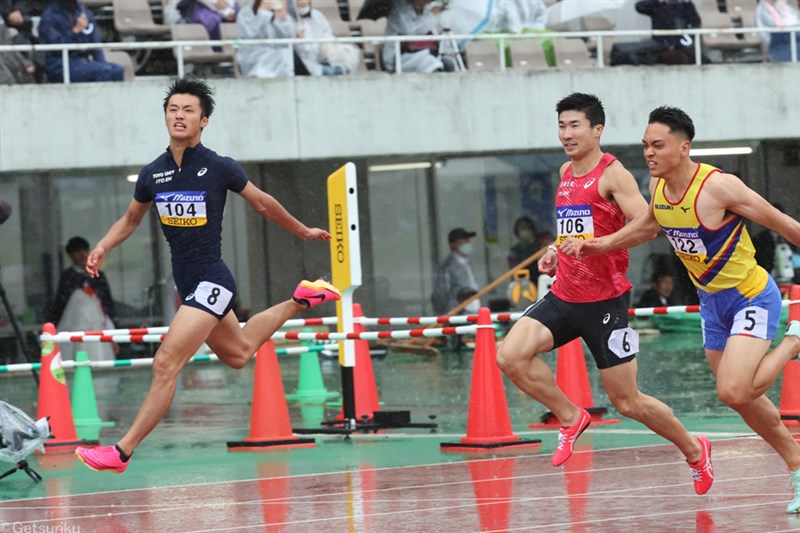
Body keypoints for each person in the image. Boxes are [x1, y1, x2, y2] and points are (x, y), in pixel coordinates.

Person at [74, 78, 340, 473]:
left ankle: (122, 451)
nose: (179, 116)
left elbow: (263, 204)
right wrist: (102, 246)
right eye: (173, 110)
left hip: (213, 280)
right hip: (189, 285)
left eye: (188, 111)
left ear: (204, 121)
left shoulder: (219, 167)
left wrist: (302, 230)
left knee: (165, 362)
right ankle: (302, 298)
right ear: (165, 117)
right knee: (239, 353)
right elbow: (130, 219)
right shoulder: (153, 174)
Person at [561, 105, 800, 512]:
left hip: (750, 296)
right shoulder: (659, 190)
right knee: (741, 401)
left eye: (658, 145)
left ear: (684, 147)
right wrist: (598, 244)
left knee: (734, 389)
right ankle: (797, 466)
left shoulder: (719, 187)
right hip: (712, 305)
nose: (649, 153)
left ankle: (793, 340)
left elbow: (783, 223)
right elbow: (648, 226)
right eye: (645, 146)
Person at [496, 93, 713, 496]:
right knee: (509, 356)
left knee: (628, 402)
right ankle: (570, 416)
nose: (566, 134)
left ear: (598, 130)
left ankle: (694, 449)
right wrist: (554, 252)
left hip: (605, 304)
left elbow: (649, 226)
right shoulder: (565, 170)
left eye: (575, 125)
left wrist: (599, 245)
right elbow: (573, 229)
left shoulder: (614, 176)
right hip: (564, 295)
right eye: (561, 125)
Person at [45, 236, 117, 361]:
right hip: (73, 325)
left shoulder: (98, 275)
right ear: (70, 255)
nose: (82, 255)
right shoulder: (67, 276)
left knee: (99, 356)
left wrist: (113, 330)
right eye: (77, 252)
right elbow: (60, 303)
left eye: (84, 251)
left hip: (96, 325)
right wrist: (52, 324)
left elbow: (107, 303)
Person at [37, 0, 124, 83]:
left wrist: (102, 62)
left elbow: (95, 45)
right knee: (103, 71)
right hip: (59, 65)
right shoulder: (49, 17)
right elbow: (56, 47)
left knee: (117, 70)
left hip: (82, 62)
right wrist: (75, 31)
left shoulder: (84, 14)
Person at [291, 0, 360, 76]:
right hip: (306, 64)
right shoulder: (291, 20)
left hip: (323, 57)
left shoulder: (317, 15)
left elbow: (327, 33)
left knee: (350, 53)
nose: (304, 2)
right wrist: (296, 38)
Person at [236, 0, 296, 78]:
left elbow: (288, 38)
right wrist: (263, 12)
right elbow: (251, 35)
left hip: (277, 59)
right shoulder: (245, 12)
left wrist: (283, 19)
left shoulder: (276, 12)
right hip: (252, 57)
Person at [382, 0, 445, 74]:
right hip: (399, 57)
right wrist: (431, 15)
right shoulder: (400, 8)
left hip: (421, 54)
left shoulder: (425, 7)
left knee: (447, 63)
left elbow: (433, 30)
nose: (429, 2)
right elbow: (410, 30)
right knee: (431, 63)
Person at [635, 0, 702, 65]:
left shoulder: (684, 7)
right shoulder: (658, 7)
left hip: (681, 45)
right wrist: (657, 1)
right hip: (662, 45)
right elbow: (639, 7)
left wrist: (688, 4)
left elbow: (695, 21)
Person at [431, 227, 480, 315]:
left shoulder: (468, 263)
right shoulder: (447, 266)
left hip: (474, 312)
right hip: (457, 316)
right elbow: (440, 294)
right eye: (464, 240)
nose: (467, 243)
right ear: (453, 244)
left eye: (468, 240)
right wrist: (448, 313)